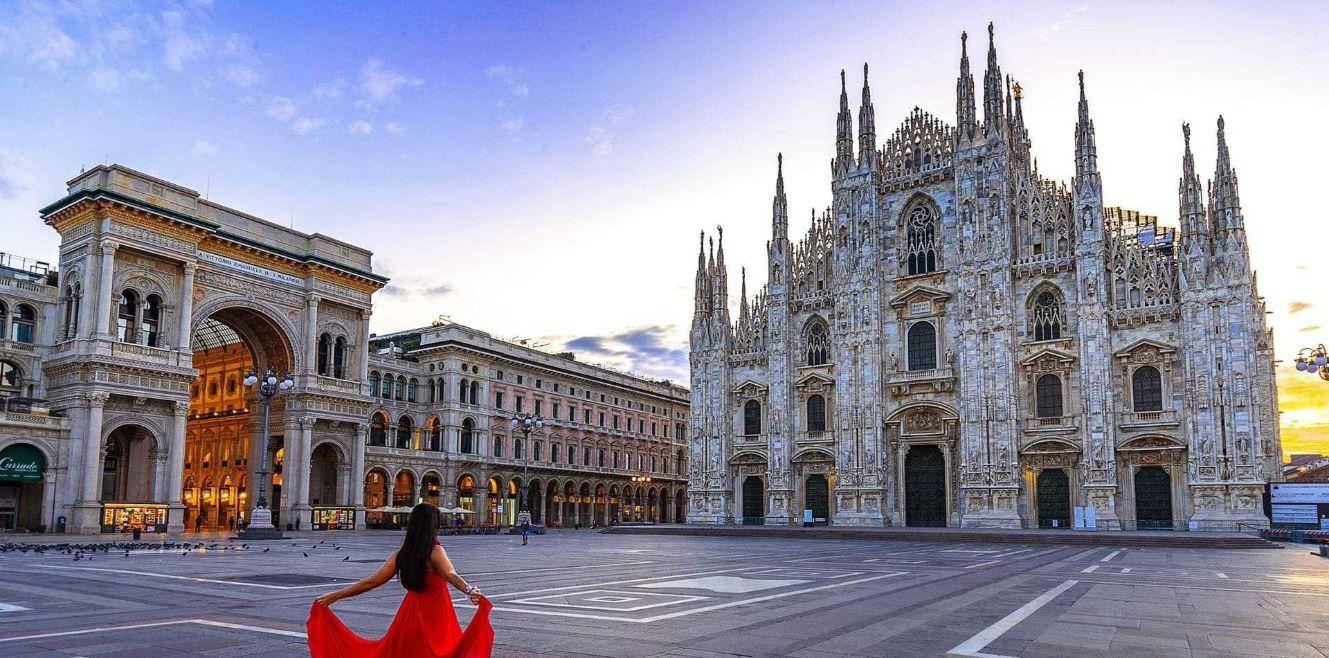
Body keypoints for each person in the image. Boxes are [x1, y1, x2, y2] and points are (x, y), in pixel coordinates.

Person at [308, 503, 493, 657]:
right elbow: (450, 574)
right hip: (436, 619)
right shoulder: (434, 550)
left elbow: (371, 582)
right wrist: (469, 589)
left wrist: (338, 594)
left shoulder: (402, 554)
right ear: (431, 525)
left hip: (408, 619)